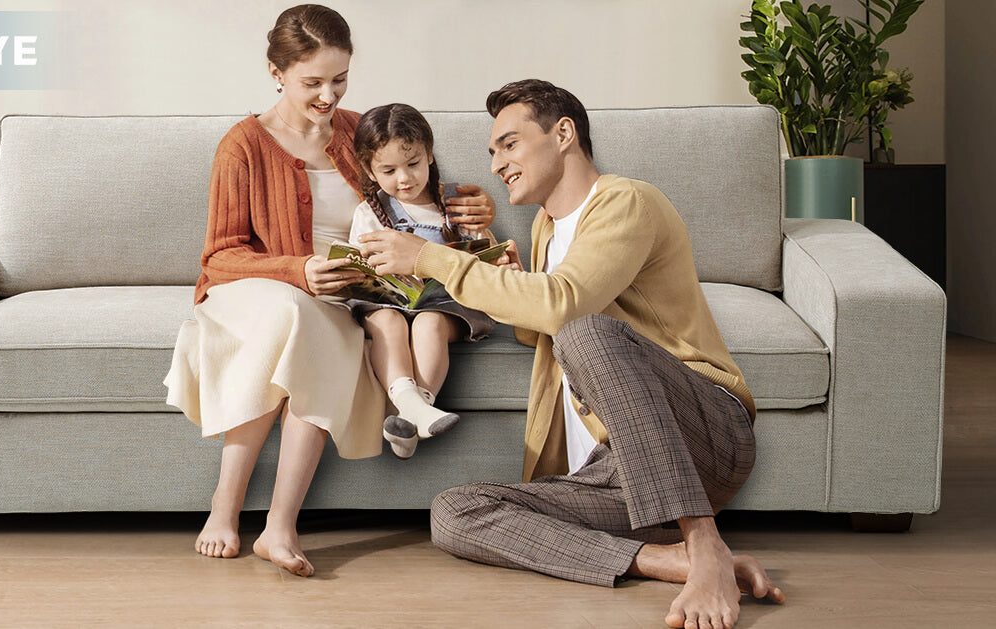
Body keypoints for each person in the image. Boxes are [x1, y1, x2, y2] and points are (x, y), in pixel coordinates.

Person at [357, 79, 785, 629]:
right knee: (453, 513)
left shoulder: (626, 201)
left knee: (584, 330)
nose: (496, 164)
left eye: (509, 144)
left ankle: (704, 546)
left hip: (702, 431)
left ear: (564, 133)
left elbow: (567, 311)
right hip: (613, 472)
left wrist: (430, 259)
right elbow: (543, 332)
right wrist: (509, 289)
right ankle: (665, 560)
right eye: (492, 152)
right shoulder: (545, 228)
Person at [162, 4, 494, 578]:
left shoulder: (358, 131)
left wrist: (475, 208)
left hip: (350, 293)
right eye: (312, 82)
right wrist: (298, 270)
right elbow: (219, 256)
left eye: (339, 79)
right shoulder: (242, 145)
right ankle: (225, 506)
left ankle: (278, 527)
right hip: (263, 286)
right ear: (276, 71)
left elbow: (416, 191)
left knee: (323, 331)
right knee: (297, 315)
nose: (328, 96)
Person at [347, 103, 498, 459]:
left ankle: (417, 407)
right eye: (389, 170)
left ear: (429, 155)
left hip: (444, 303)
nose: (404, 178)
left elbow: (484, 251)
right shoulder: (369, 213)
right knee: (387, 322)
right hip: (390, 301)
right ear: (369, 170)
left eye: (413, 163)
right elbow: (359, 266)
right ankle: (414, 413)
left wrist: (490, 246)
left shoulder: (455, 203)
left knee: (428, 323)